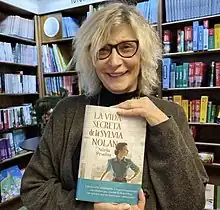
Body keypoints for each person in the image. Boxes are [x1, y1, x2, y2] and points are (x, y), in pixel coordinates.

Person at [20, 2, 209, 210]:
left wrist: (162, 128)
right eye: (103, 50)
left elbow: (193, 202)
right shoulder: (67, 112)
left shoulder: (170, 114)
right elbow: (34, 189)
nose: (114, 61)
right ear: (91, 58)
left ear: (142, 53)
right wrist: (87, 208)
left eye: (126, 47)